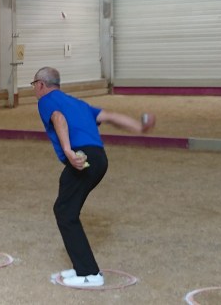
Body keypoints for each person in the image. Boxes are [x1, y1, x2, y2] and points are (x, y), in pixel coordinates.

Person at [32, 66, 155, 288]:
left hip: (83, 157)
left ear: (41, 85)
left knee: (65, 212)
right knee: (66, 208)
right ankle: (82, 267)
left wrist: (68, 151)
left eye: (34, 85)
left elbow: (58, 118)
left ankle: (89, 273)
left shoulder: (46, 101)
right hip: (99, 158)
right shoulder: (78, 103)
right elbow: (110, 116)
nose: (34, 90)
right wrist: (140, 126)